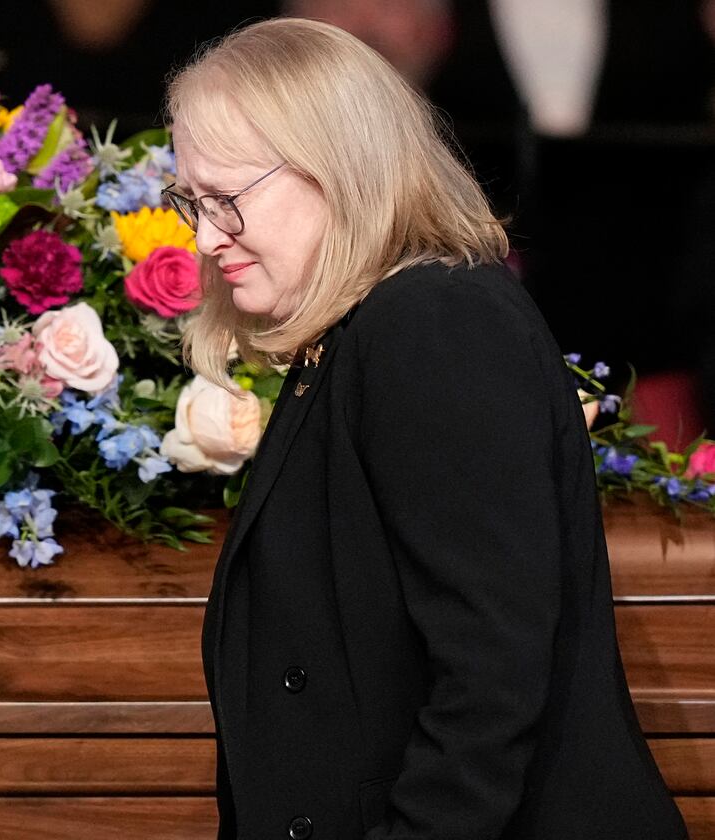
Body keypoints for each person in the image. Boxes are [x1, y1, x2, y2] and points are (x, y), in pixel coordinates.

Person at [163, 18, 688, 840]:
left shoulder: (434, 323)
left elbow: (490, 678)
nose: (204, 236)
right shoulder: (366, 331)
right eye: (190, 200)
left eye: (226, 199)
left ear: (339, 166)